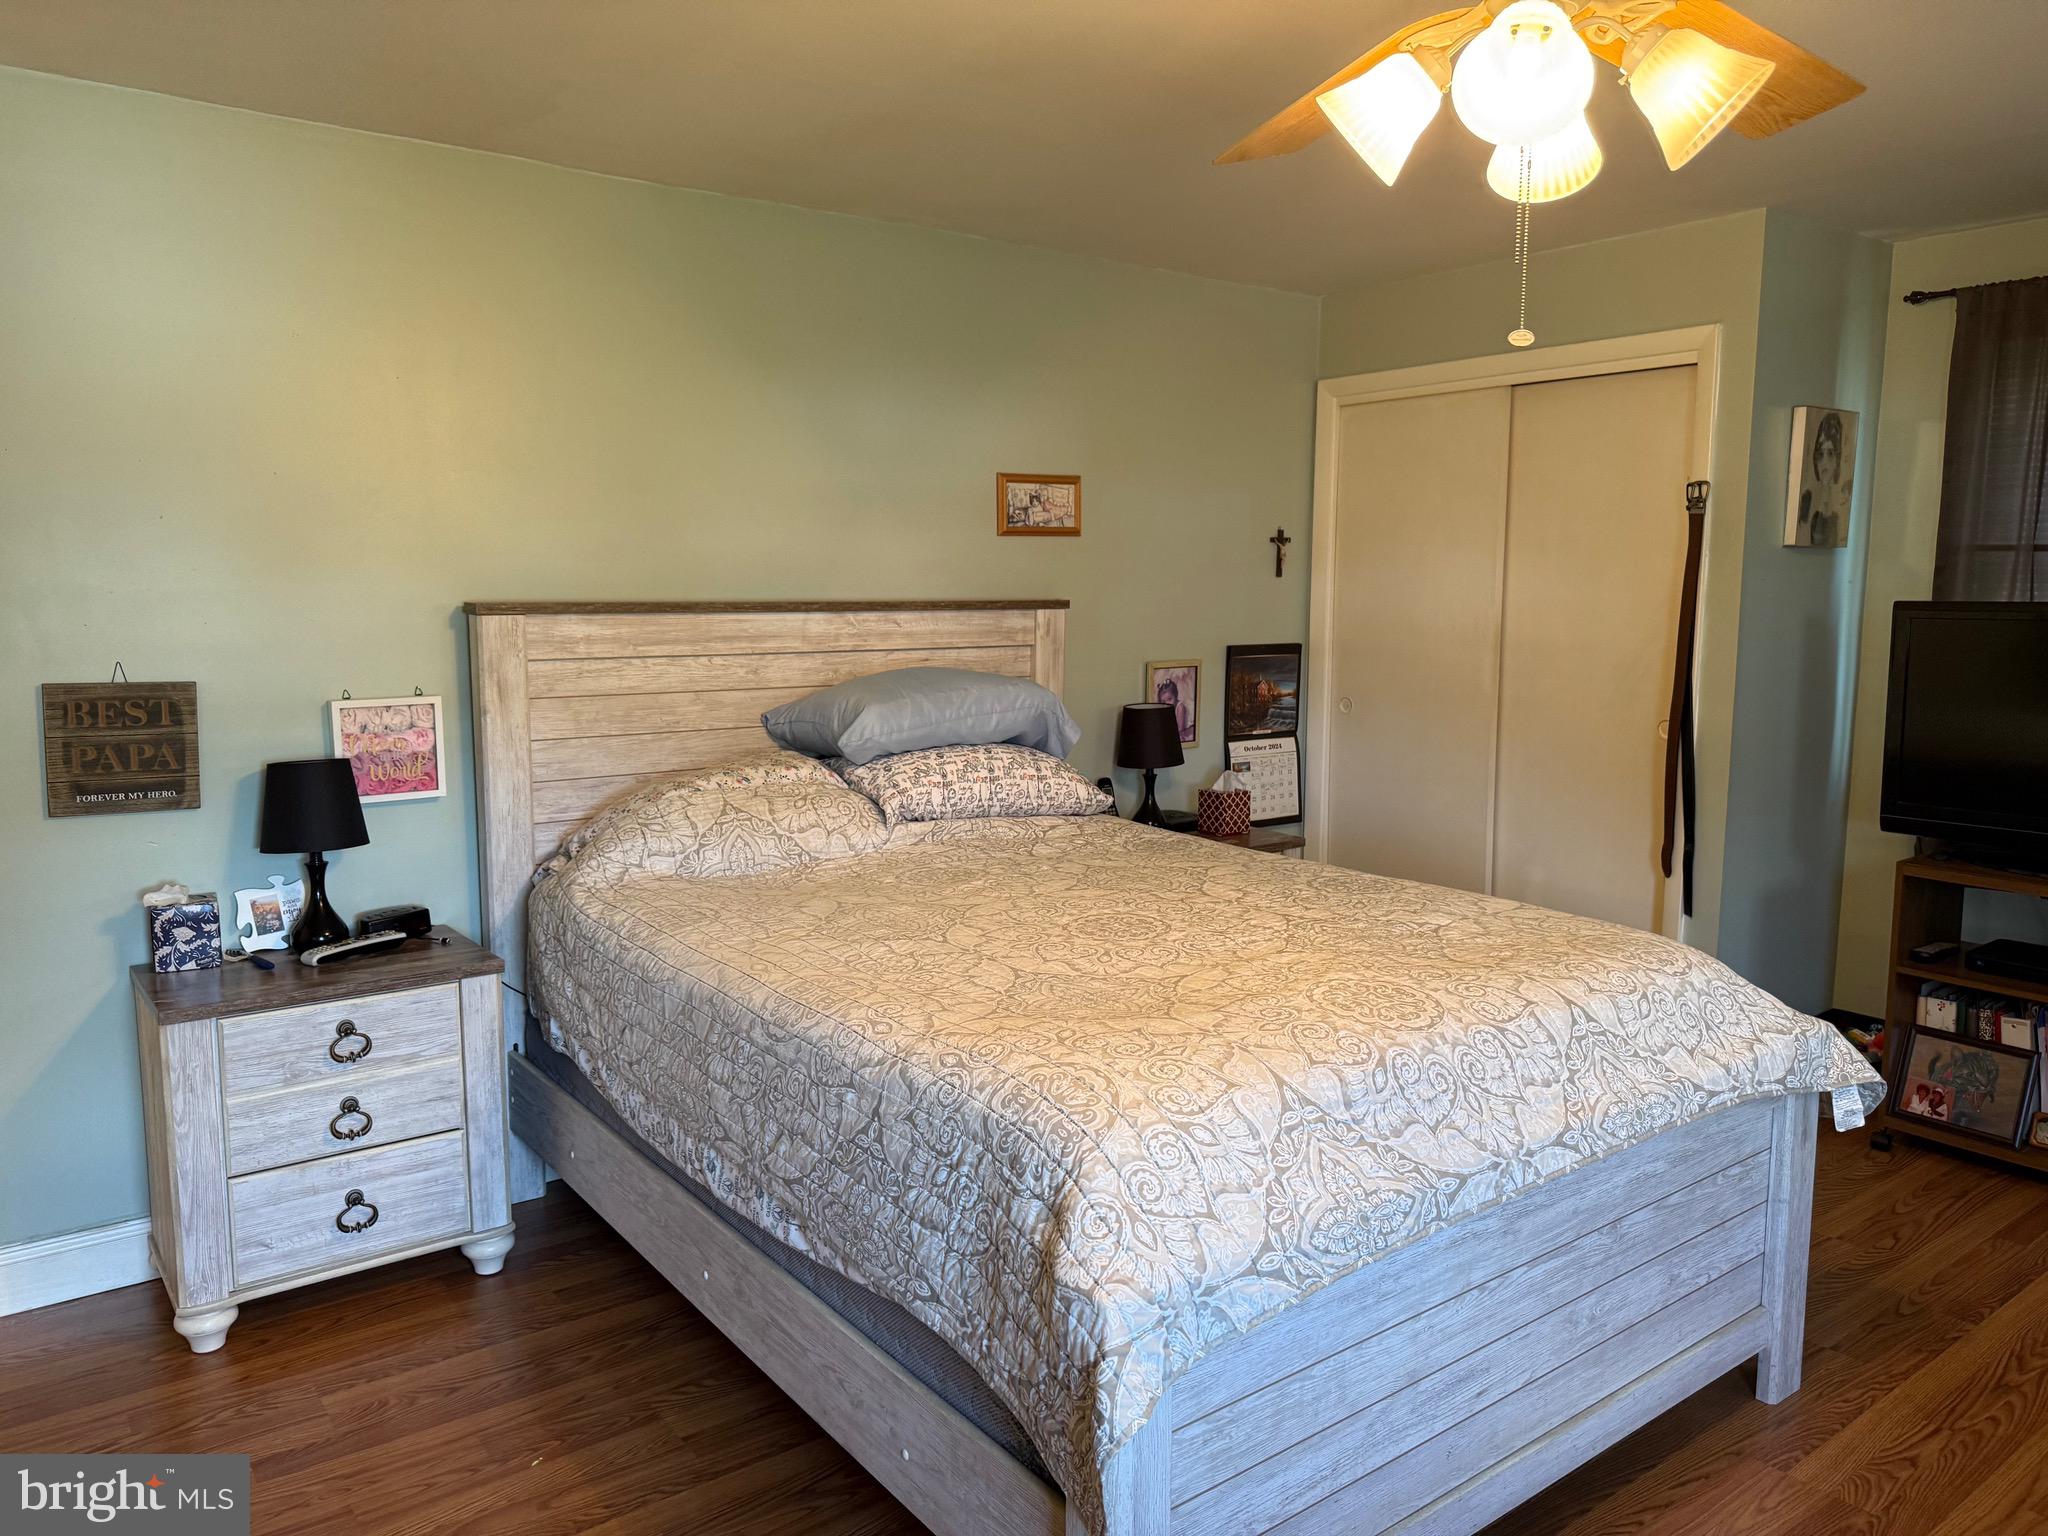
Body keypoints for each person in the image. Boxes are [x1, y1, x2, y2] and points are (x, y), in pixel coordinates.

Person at [1798, 412, 1847, 547]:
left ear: (1838, 460)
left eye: (1830, 454)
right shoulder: (1806, 503)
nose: (1824, 465)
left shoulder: (1841, 510)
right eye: (1820, 454)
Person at [1155, 676, 1191, 742]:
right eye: (1163, 701)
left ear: (1176, 695)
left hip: (1185, 731)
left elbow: (1180, 729)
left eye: (1169, 699)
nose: (1167, 703)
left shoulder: (1180, 707)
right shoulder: (1166, 709)